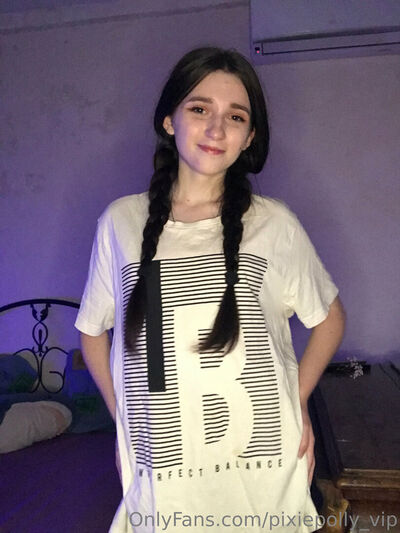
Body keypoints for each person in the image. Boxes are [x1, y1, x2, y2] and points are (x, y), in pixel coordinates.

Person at [74, 46, 346, 533]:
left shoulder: (274, 224)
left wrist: (296, 399)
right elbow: (93, 332)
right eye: (200, 109)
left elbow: (329, 320)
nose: (217, 129)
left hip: (263, 478)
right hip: (167, 486)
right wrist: (126, 425)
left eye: (235, 116)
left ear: (250, 137)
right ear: (169, 120)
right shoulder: (121, 222)